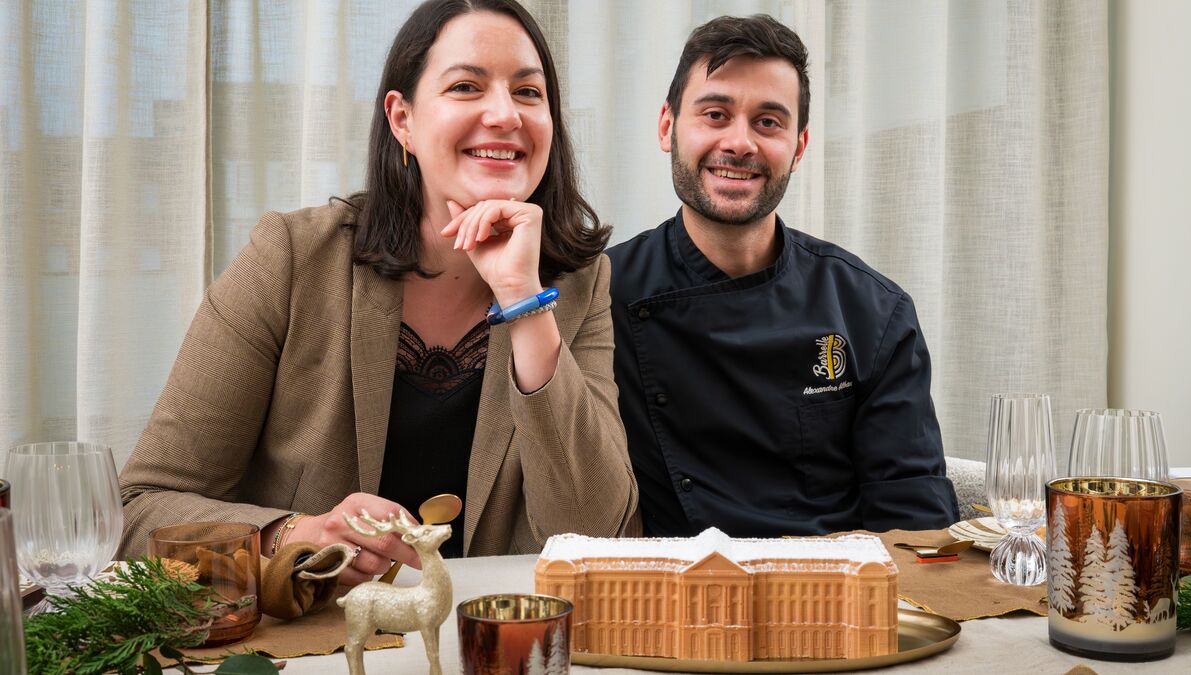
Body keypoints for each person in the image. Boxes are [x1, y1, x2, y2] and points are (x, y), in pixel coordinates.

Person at [119, 0, 638, 584]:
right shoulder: (291, 257)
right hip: (318, 630)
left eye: (528, 92)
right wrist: (296, 535)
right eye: (466, 87)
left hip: (488, 627)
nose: (504, 114)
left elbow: (598, 534)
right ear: (402, 119)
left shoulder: (579, 282)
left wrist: (522, 299)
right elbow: (141, 508)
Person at [607, 15, 957, 538]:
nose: (740, 143)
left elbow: (914, 523)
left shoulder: (873, 311)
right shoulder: (602, 296)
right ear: (667, 127)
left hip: (831, 585)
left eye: (768, 122)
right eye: (715, 114)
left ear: (798, 147)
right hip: (672, 584)